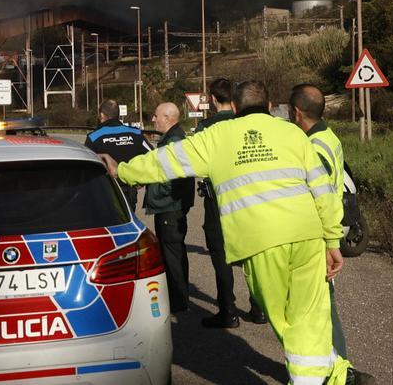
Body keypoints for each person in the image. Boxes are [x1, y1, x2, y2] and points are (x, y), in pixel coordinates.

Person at [101, 81, 370, 385]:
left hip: (261, 244)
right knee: (310, 316)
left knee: (288, 322)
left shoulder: (215, 137)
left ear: (236, 109)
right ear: (270, 108)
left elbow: (166, 161)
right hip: (308, 236)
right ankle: (334, 373)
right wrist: (332, 240)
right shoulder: (293, 134)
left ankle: (317, 379)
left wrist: (121, 170)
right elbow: (322, 190)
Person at [195, 78, 266, 328]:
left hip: (217, 200)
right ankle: (259, 308)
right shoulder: (242, 123)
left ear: (213, 99)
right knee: (251, 254)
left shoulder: (205, 128)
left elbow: (197, 166)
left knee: (221, 257)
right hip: (247, 198)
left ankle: (228, 311)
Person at [290, 83, 350, 358]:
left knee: (320, 308)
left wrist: (329, 242)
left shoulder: (313, 147)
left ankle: (336, 368)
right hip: (328, 230)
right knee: (325, 305)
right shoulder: (328, 136)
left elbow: (318, 199)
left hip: (318, 235)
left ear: (296, 113)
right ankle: (334, 366)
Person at [146, 102, 195, 313]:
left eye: (156, 115)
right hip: (170, 205)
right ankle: (179, 295)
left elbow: (171, 176)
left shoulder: (173, 141)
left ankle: (178, 299)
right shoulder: (174, 138)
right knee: (175, 252)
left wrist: (158, 193)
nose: (153, 119)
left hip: (169, 207)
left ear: (167, 118)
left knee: (172, 254)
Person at [84, 99, 152, 208]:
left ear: (102, 115)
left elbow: (86, 166)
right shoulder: (135, 133)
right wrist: (142, 178)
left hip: (104, 191)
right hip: (129, 190)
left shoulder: (94, 137)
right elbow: (152, 156)